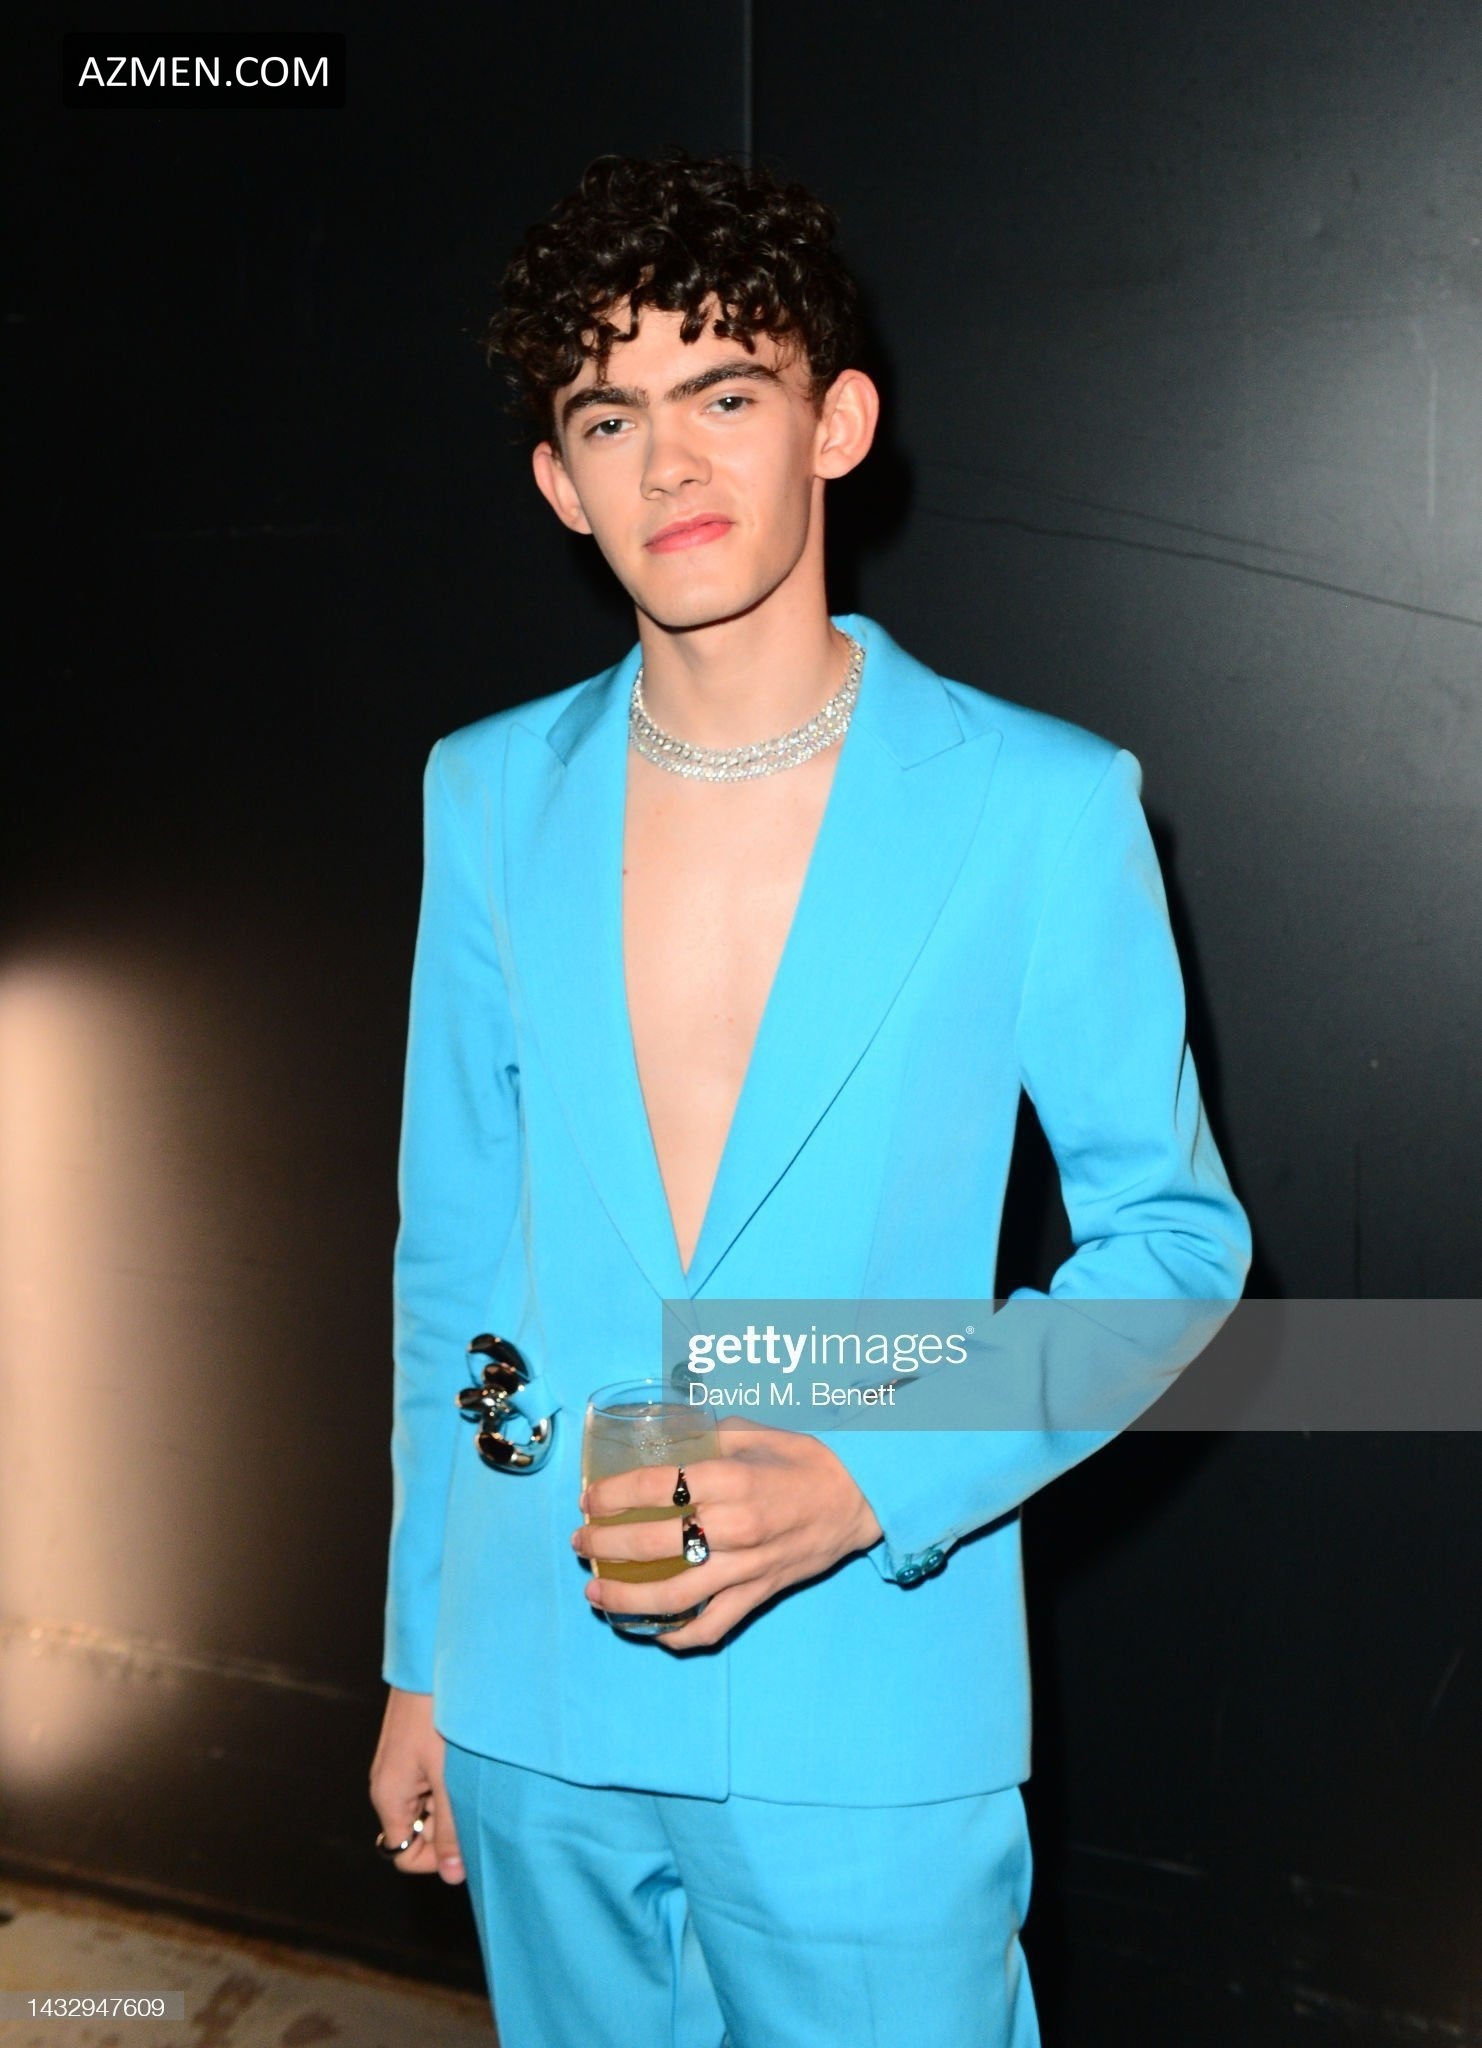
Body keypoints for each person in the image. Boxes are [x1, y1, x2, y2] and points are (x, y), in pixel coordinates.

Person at [368, 147, 1251, 2048]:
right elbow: (455, 1257)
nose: (668, 464)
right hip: (532, 1696)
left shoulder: (1038, 804)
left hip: (869, 1699)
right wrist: (424, 1655)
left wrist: (867, 1477)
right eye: (610, 416)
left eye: (725, 395)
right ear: (558, 480)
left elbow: (1175, 1248)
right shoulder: (483, 792)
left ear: (834, 424)